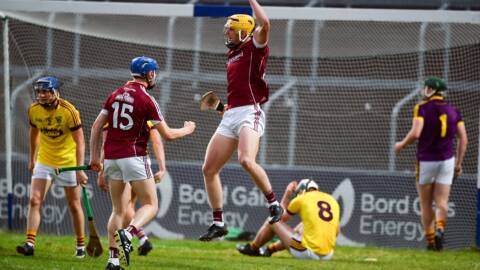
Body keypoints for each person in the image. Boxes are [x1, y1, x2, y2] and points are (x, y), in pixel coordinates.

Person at [89, 56, 195, 270]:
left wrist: (93, 158)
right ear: (149, 74)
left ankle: (113, 260)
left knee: (117, 210)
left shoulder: (114, 94)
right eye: (154, 72)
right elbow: (168, 135)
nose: (155, 75)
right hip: (134, 158)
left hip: (111, 159)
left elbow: (96, 127)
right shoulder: (147, 99)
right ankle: (129, 233)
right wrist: (187, 129)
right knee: (151, 205)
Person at [199, 0, 283, 242]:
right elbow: (239, 91)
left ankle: (274, 204)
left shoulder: (254, 47)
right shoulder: (232, 54)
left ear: (245, 32)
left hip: (251, 112)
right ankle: (218, 223)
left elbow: (265, 23)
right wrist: (224, 108)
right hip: (233, 113)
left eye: (231, 29)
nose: (227, 32)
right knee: (209, 169)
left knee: (246, 159)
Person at [16, 76, 88, 258]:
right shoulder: (34, 110)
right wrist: (32, 158)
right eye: (39, 91)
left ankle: (80, 246)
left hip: (68, 163)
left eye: (45, 91)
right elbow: (34, 133)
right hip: (45, 160)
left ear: (55, 92)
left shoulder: (69, 111)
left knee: (74, 205)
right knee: (34, 200)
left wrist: (79, 169)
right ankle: (29, 244)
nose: (41, 95)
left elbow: (80, 142)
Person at [395, 77, 468, 251]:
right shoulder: (454, 110)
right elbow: (463, 139)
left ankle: (429, 241)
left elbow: (416, 133)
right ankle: (440, 229)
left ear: (431, 90)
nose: (423, 90)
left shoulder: (421, 108)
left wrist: (401, 144)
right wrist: (458, 164)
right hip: (447, 160)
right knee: (442, 202)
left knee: (425, 203)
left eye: (426, 87)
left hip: (426, 160)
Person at [97, 121, 166, 256]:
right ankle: (141, 239)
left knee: (120, 210)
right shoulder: (145, 117)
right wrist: (162, 167)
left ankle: (119, 253)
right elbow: (158, 141)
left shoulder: (112, 118)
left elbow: (105, 146)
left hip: (122, 163)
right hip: (141, 164)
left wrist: (101, 172)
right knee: (131, 206)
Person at [237, 179, 340, 260]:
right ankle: (269, 250)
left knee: (273, 220)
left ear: (303, 190)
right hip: (327, 255)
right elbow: (337, 231)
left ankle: (253, 248)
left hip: (308, 252)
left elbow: (279, 217)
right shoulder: (332, 200)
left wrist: (287, 194)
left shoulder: (302, 198)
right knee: (302, 226)